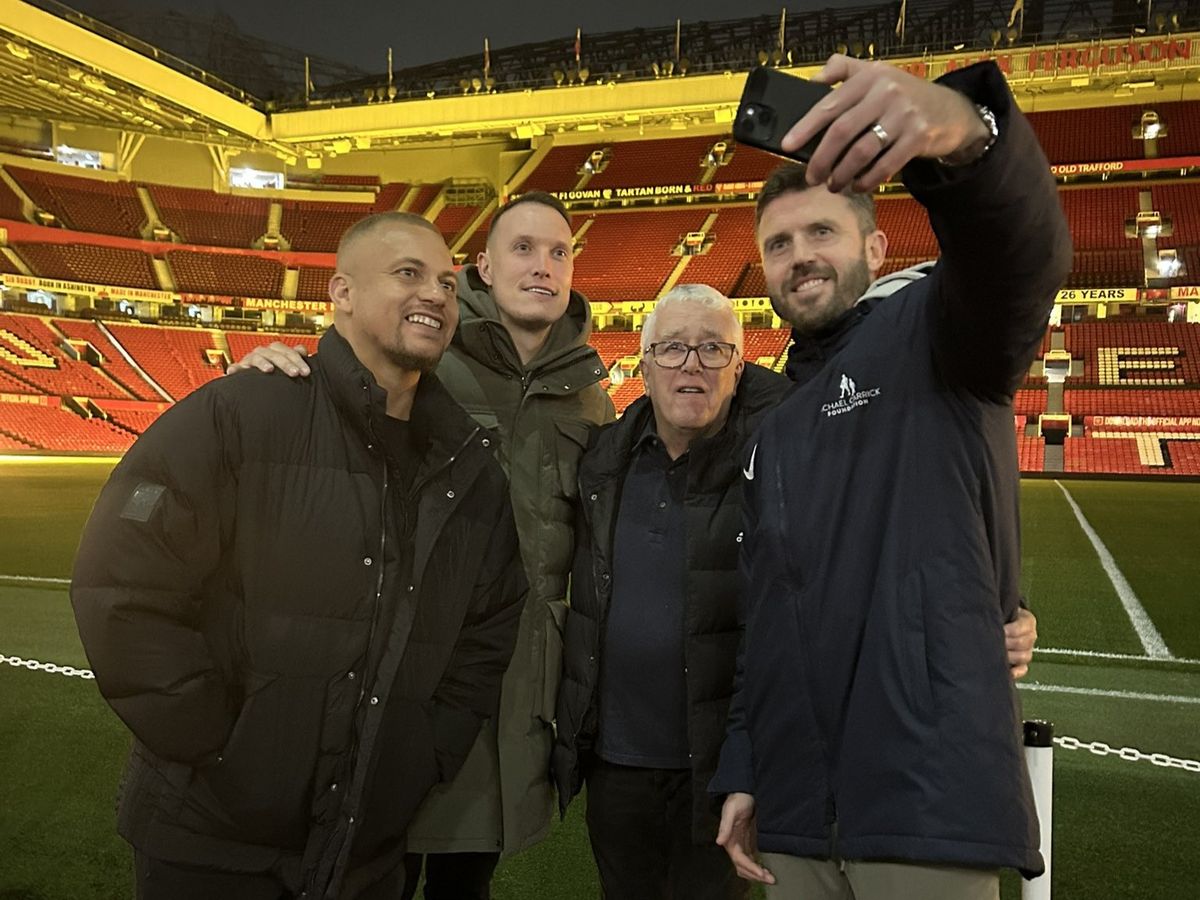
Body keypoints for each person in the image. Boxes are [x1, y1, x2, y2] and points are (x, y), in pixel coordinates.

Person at [71, 212, 526, 900]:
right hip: (208, 846)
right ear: (340, 293)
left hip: (367, 854)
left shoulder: (470, 469)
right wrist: (217, 747)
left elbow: (488, 630)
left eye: (447, 283)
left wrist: (421, 755)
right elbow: (122, 583)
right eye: (408, 274)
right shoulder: (241, 413)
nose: (436, 294)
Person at [711, 56, 1072, 900]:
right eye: (779, 244)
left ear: (875, 245)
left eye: (822, 233)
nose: (800, 258)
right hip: (798, 818)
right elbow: (770, 622)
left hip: (926, 810)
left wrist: (962, 134)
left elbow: (1021, 251)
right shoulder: (778, 421)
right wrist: (747, 768)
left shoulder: (939, 333)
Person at [555, 286, 1039, 900]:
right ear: (644, 364)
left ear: (740, 362)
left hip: (721, 762)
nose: (692, 365)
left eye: (712, 349)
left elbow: (904, 524)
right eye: (673, 349)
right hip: (618, 763)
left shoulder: (789, 453)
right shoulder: (604, 458)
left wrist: (1005, 607)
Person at [230, 191, 615, 899]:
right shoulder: (427, 345)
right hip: (412, 669)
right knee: (374, 866)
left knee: (467, 880)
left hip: (519, 685)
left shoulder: (590, 392)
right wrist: (271, 367)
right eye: (523, 248)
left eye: (559, 251)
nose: (543, 266)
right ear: (484, 267)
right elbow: (340, 391)